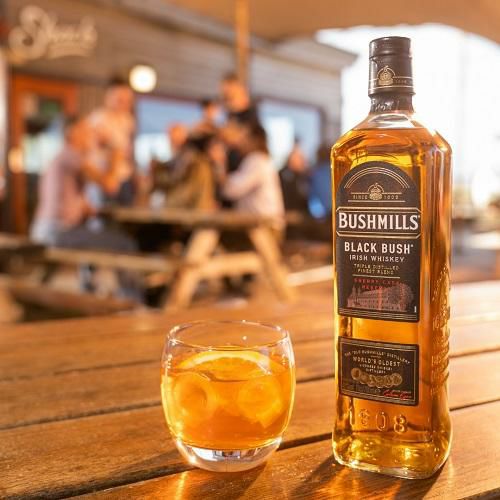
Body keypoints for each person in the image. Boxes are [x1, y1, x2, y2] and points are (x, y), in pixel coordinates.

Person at [31, 115, 140, 298]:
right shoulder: (71, 155)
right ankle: (134, 301)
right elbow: (110, 184)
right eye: (87, 130)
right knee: (125, 245)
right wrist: (116, 149)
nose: (91, 135)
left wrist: (84, 208)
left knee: (92, 235)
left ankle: (89, 290)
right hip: (58, 231)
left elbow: (73, 199)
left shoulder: (63, 156)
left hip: (47, 228)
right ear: (72, 133)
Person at [220, 122, 284, 232]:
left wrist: (219, 163)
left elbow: (232, 190)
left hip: (264, 228)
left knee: (209, 231)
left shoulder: (256, 161)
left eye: (244, 137)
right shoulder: (261, 160)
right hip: (261, 225)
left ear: (254, 140)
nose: (241, 141)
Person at [87, 76, 136, 206]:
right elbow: (114, 151)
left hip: (123, 178)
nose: (125, 104)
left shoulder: (127, 120)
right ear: (108, 97)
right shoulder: (99, 119)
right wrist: (111, 177)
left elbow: (124, 152)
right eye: (120, 100)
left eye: (128, 101)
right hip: (106, 180)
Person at [279, 139, 310, 215]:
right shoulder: (284, 176)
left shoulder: (302, 176)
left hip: (301, 214)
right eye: (300, 158)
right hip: (288, 214)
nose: (303, 162)